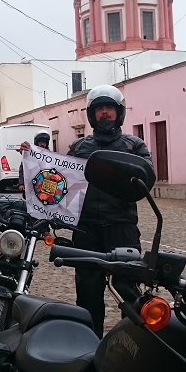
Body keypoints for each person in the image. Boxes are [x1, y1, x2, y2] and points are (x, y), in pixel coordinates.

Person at [67, 85, 153, 338]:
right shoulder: (78, 147)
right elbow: (60, 179)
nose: (105, 113)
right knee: (87, 288)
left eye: (110, 109)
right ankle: (88, 340)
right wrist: (32, 156)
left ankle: (132, 341)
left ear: (119, 113)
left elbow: (146, 178)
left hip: (121, 225)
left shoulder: (134, 146)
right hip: (86, 228)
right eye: (100, 109)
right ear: (92, 115)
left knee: (128, 285)